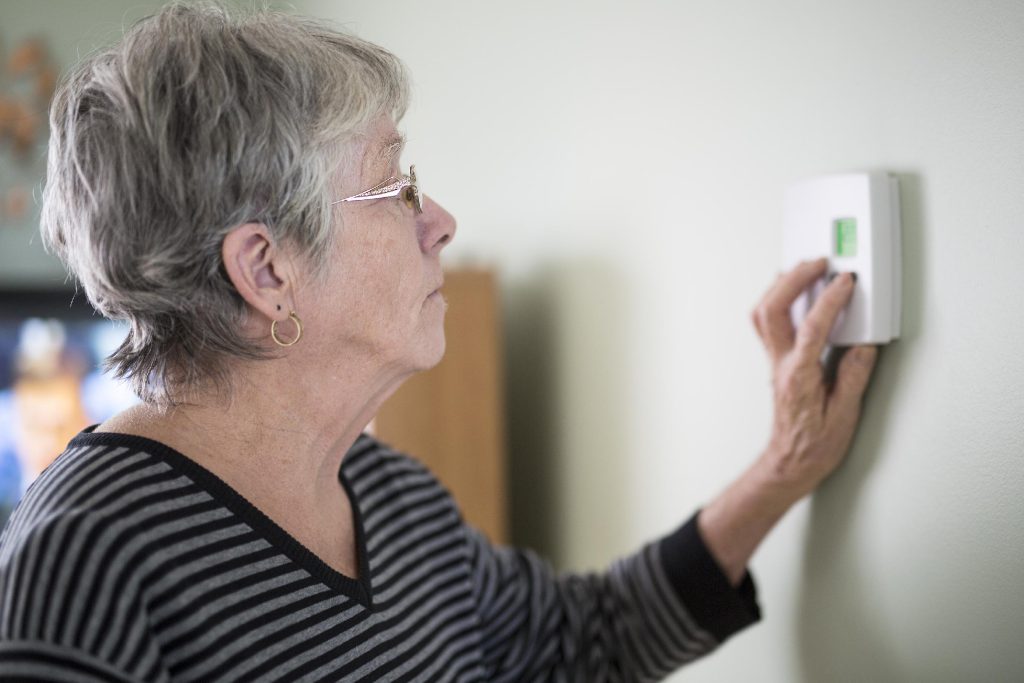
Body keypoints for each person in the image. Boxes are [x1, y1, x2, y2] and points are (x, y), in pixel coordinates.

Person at [0, 3, 878, 681]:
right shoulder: (87, 557)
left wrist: (785, 465)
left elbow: (584, 642)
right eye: (397, 188)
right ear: (267, 271)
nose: (442, 222)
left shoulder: (395, 498)